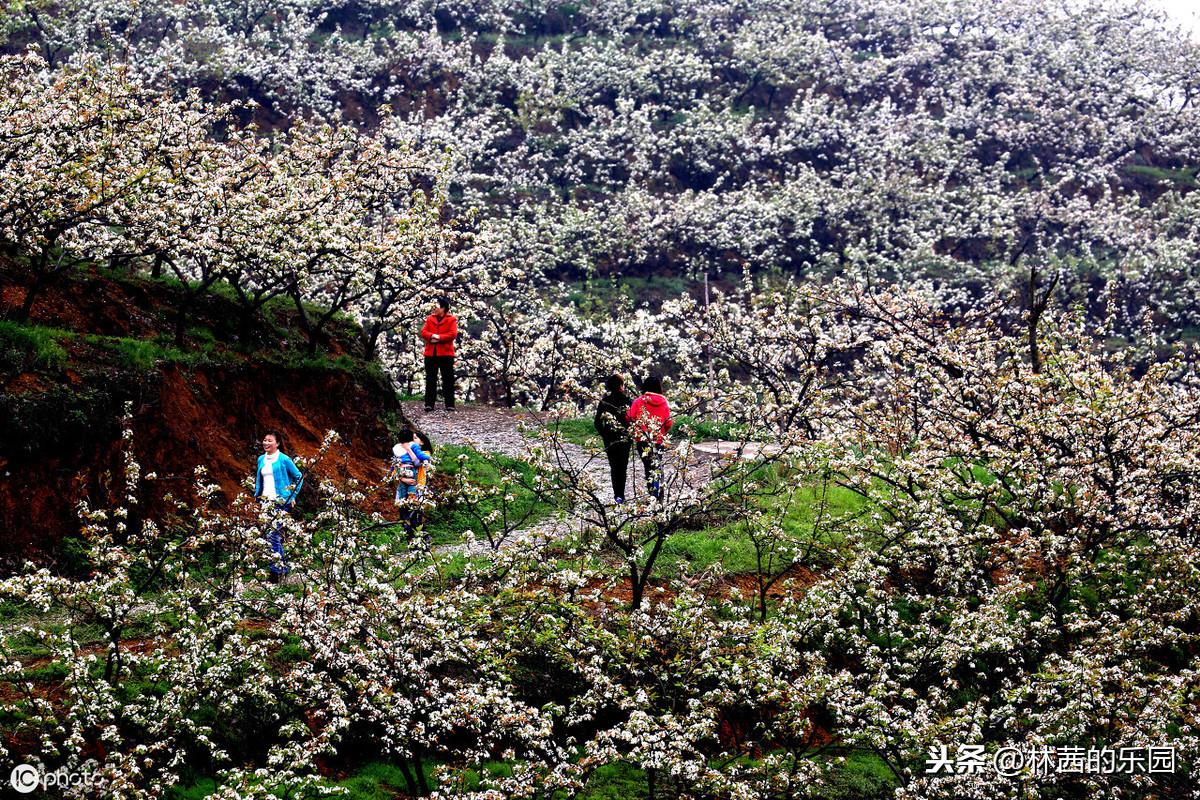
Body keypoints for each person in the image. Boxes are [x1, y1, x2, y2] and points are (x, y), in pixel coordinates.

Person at [253, 431, 303, 583]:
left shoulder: (284, 459)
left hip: (281, 503)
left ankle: (276, 572)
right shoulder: (261, 459)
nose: (265, 443)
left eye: (269, 441)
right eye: (264, 440)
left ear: (277, 443)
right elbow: (259, 479)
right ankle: (282, 568)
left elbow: (299, 476)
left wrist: (292, 496)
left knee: (273, 535)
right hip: (265, 503)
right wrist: (257, 495)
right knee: (271, 537)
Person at [627, 375, 673, 501]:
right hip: (659, 439)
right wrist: (662, 432)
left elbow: (630, 417)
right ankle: (659, 492)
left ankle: (653, 494)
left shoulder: (638, 401)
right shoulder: (664, 401)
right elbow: (668, 423)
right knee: (657, 465)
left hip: (643, 440)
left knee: (648, 467)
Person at [594, 374, 633, 504]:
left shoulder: (605, 401)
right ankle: (621, 495)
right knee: (622, 467)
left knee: (614, 467)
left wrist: (605, 434)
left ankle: (617, 495)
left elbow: (597, 423)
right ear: (622, 385)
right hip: (625, 438)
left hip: (610, 439)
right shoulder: (628, 400)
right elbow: (633, 420)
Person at [390, 429, 432, 545]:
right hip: (404, 485)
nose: (411, 441)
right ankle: (410, 538)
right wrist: (403, 479)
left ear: (422, 442)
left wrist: (409, 449)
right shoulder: (402, 453)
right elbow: (394, 468)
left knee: (415, 512)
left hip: (417, 488)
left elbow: (418, 463)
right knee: (404, 511)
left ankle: (421, 538)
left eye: (414, 439)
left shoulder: (425, 454)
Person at [420, 295, 458, 412]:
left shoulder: (451, 319)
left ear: (443, 308)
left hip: (446, 354)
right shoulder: (430, 319)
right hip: (431, 354)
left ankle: (450, 404)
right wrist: (432, 336)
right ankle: (429, 404)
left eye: (437, 306)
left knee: (447, 379)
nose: (435, 308)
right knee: (430, 379)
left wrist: (439, 337)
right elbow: (423, 332)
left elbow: (452, 334)